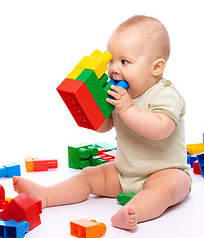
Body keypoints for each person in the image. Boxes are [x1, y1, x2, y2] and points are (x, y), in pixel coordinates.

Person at [12, 15, 191, 230]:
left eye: (124, 61)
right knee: (88, 176)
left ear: (156, 67)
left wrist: (127, 109)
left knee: (168, 189)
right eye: (111, 60)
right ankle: (47, 195)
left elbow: (161, 129)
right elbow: (105, 126)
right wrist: (88, 110)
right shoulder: (118, 94)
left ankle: (134, 212)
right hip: (124, 172)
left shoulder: (165, 95)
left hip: (165, 171)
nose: (114, 68)